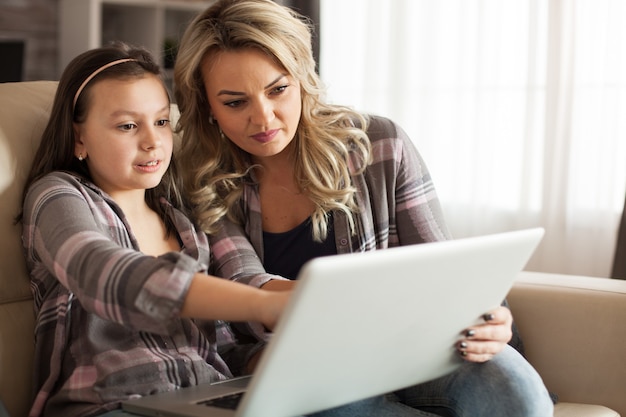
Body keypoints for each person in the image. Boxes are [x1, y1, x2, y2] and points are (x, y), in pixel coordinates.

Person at [172, 0, 555, 415]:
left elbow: (438, 264)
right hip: (313, 367)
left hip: (417, 345)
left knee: (515, 392)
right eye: (235, 102)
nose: (263, 118)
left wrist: (486, 317)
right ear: (207, 105)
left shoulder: (379, 144)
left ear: (302, 77)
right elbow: (246, 288)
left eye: (278, 89)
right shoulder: (196, 179)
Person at [18, 42, 296, 417]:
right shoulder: (58, 196)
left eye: (162, 121)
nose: (153, 141)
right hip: (111, 405)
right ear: (79, 137)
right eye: (128, 125)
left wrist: (275, 357)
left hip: (203, 403)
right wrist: (264, 304)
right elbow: (100, 271)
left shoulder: (188, 215)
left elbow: (230, 325)